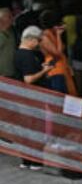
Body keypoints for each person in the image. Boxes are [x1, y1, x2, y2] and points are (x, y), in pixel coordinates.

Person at [12, 26, 54, 170]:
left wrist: (39, 67)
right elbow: (29, 79)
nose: (39, 43)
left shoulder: (18, 53)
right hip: (32, 98)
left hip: (23, 98)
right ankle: (35, 161)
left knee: (26, 129)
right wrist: (44, 70)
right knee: (36, 129)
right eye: (38, 40)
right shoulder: (28, 55)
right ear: (30, 39)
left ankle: (26, 160)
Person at [0, 9, 15, 79]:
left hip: (11, 74)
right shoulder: (1, 35)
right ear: (2, 18)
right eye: (9, 17)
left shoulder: (11, 32)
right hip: (2, 75)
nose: (12, 18)